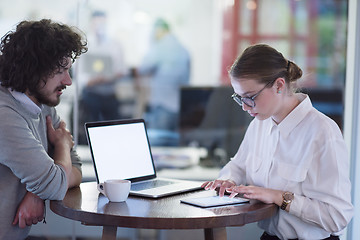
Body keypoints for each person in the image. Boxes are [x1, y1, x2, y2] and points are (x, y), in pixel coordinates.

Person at [202, 44, 353, 240]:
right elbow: (239, 165)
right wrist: (229, 180)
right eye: (239, 98)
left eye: (250, 97)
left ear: (279, 85)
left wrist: (279, 197)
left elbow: (337, 217)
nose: (245, 107)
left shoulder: (323, 132)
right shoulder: (260, 123)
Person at [0, 19, 87, 239]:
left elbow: (74, 166)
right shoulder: (5, 114)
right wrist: (62, 145)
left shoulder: (43, 105)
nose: (68, 81)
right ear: (32, 69)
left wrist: (35, 193)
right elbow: (56, 180)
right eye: (61, 70)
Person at [75, 10, 127, 144]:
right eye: (96, 23)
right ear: (92, 24)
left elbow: (122, 70)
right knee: (89, 132)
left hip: (109, 95)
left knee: (113, 133)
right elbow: (79, 75)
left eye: (102, 23)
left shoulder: (115, 45)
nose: (99, 26)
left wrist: (107, 77)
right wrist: (91, 81)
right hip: (91, 95)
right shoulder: (85, 44)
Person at [136, 18, 190, 133]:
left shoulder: (159, 47)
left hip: (163, 105)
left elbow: (143, 68)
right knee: (174, 143)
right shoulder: (183, 49)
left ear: (158, 30)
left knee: (160, 144)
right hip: (180, 106)